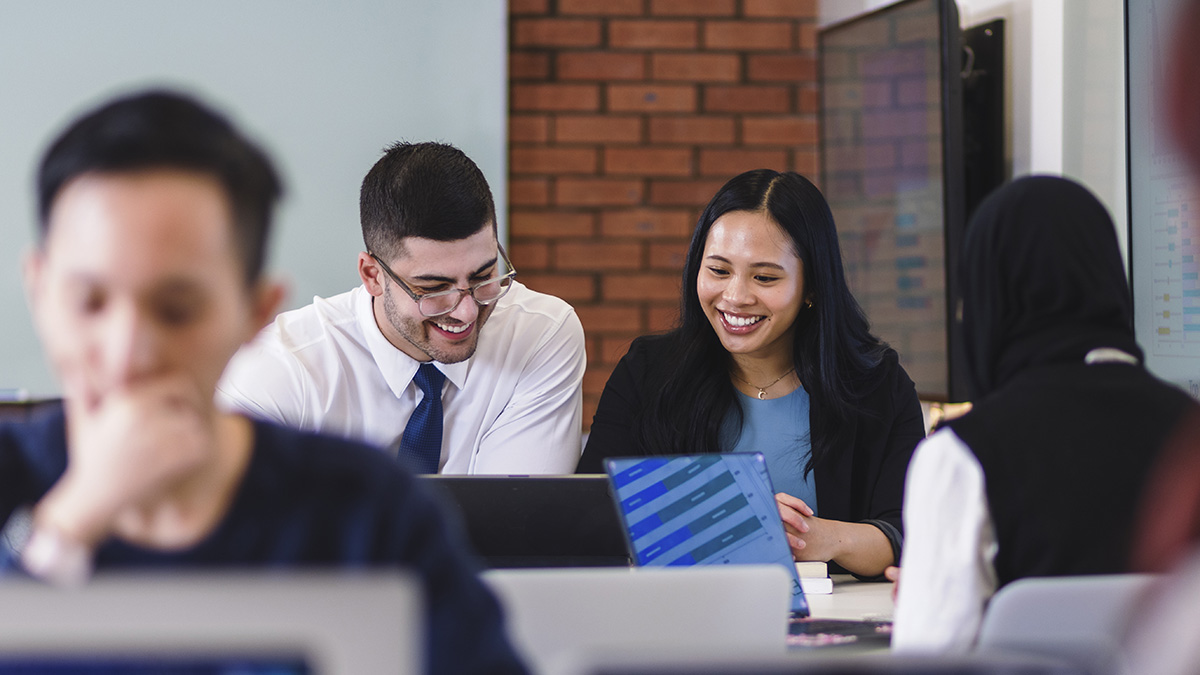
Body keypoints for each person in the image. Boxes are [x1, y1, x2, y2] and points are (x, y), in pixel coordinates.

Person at [0, 90, 526, 675]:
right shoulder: (12, 477)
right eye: (89, 302)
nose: (129, 353)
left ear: (255, 311)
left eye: (177, 310)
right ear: (40, 292)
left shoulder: (366, 511)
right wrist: (65, 527)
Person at [890, 175, 1198, 654]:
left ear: (991, 300)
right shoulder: (1190, 435)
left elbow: (929, 658)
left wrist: (923, 591)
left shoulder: (960, 456)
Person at [577, 169, 926, 578]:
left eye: (764, 277)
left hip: (837, 626)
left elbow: (910, 535)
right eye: (719, 271)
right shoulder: (648, 373)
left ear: (811, 286)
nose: (736, 297)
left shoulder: (875, 384)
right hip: (679, 624)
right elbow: (593, 517)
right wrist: (731, 522)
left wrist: (815, 537)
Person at [217, 142, 585, 475]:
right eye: (433, 288)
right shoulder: (281, 368)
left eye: (483, 275)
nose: (467, 312)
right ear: (372, 275)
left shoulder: (541, 333)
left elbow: (517, 526)